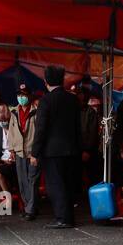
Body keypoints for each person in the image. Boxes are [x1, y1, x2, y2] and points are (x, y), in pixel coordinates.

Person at [32, 65, 82, 229]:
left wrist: (35, 152)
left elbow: (41, 129)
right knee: (68, 183)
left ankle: (62, 218)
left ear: (45, 81)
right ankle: (69, 217)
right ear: (62, 80)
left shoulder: (46, 101)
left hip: (52, 151)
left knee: (56, 185)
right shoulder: (73, 99)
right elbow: (77, 126)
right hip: (72, 149)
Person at [7, 83, 39, 219]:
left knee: (32, 180)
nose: (21, 98)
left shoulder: (36, 111)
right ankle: (27, 207)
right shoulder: (14, 111)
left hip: (32, 152)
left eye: (24, 95)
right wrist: (12, 150)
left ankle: (31, 209)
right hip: (19, 151)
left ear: (29, 96)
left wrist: (36, 153)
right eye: (19, 95)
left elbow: (39, 133)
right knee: (22, 181)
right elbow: (11, 131)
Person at [0, 102, 18, 207]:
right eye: (0, 121)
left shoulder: (14, 128)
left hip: (13, 160)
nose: (2, 123)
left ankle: (8, 199)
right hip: (2, 159)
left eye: (4, 120)